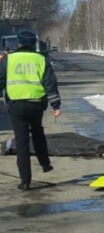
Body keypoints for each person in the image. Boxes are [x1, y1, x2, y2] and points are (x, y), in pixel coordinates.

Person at [0, 29, 62, 191]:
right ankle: (45, 163)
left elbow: (0, 80)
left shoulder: (9, 59)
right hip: (36, 105)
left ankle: (25, 181)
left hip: (16, 106)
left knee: (22, 143)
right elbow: (50, 84)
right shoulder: (41, 59)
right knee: (37, 131)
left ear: (19, 43)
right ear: (33, 43)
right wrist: (56, 106)